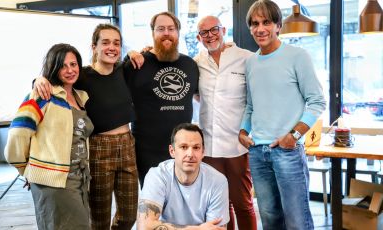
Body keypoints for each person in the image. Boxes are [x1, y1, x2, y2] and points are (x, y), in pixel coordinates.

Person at [33, 24, 143, 230]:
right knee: (99, 218)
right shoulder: (81, 75)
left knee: (129, 215)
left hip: (128, 146)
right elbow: (53, 80)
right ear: (94, 46)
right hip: (98, 147)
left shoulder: (124, 70)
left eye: (116, 43)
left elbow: (140, 56)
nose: (112, 47)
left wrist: (134, 52)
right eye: (105, 42)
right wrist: (38, 79)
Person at [238, 1, 326, 229]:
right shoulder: (251, 63)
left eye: (266, 22)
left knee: (297, 221)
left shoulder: (298, 56)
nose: (260, 29)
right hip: (257, 152)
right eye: (255, 24)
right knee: (270, 220)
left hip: (288, 151)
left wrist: (294, 136)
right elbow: (250, 105)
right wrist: (243, 130)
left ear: (278, 25)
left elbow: (317, 101)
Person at [5, 43, 94, 230]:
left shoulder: (80, 97)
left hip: (79, 178)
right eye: (63, 65)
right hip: (53, 183)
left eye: (73, 64)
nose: (70, 70)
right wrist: (28, 170)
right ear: (53, 67)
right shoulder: (42, 95)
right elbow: (17, 135)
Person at [194, 16, 257, 230]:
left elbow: (256, 97)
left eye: (214, 30)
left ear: (224, 30)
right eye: (204, 32)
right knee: (219, 206)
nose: (210, 35)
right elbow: (194, 93)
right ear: (198, 37)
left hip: (237, 144)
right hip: (209, 146)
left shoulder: (246, 58)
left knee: (243, 203)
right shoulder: (197, 62)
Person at [124, 12, 199, 186]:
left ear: (178, 33)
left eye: (171, 29)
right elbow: (106, 77)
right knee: (153, 204)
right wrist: (129, 54)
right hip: (147, 150)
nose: (166, 33)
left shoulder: (190, 65)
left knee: (184, 201)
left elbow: (201, 95)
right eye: (161, 29)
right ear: (153, 33)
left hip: (182, 148)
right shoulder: (136, 64)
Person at [137, 123, 229, 230]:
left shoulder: (218, 181)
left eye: (196, 147)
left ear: (203, 152)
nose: (190, 154)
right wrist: (198, 229)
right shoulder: (157, 176)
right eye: (184, 147)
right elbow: (144, 227)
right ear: (172, 151)